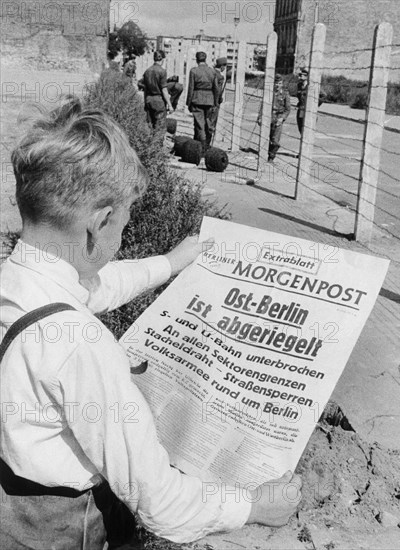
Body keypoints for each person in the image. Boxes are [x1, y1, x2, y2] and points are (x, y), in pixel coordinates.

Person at [0, 98, 302, 549]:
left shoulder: (20, 280)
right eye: (122, 222)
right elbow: (158, 501)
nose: (120, 236)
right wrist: (255, 506)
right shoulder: (80, 345)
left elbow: (97, 284)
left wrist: (171, 262)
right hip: (66, 526)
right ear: (99, 223)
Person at [186, 51, 218, 152]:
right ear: (205, 59)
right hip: (210, 100)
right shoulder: (212, 71)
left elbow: (191, 88)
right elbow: (216, 88)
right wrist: (216, 102)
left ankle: (203, 148)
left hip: (197, 99)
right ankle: (206, 145)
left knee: (200, 125)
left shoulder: (194, 71)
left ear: (197, 59)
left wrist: (188, 102)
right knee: (208, 124)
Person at [139, 50, 174, 132]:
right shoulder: (162, 71)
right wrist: (170, 105)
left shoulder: (147, 71)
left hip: (148, 99)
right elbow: (164, 90)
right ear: (162, 59)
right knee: (160, 127)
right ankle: (157, 143)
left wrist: (145, 102)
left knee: (150, 125)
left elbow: (145, 89)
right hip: (158, 101)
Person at [268, 74, 291, 162]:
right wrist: (259, 117)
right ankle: (266, 153)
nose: (277, 85)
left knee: (275, 139)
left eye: (279, 83)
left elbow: (288, 109)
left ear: (282, 84)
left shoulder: (285, 94)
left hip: (278, 117)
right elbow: (263, 105)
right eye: (276, 83)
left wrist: (282, 118)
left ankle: (271, 157)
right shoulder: (270, 92)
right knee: (267, 138)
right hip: (269, 116)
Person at [209, 56, 227, 138]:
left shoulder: (210, 72)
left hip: (206, 100)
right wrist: (217, 102)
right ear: (222, 66)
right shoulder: (220, 77)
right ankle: (206, 145)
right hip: (214, 103)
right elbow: (218, 91)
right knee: (211, 125)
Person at [296, 68, 308, 134]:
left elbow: (323, 95)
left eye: (301, 75)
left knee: (306, 130)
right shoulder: (299, 85)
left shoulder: (311, 85)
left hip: (308, 110)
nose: (299, 77)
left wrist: (314, 105)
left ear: (306, 76)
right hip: (301, 109)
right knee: (301, 129)